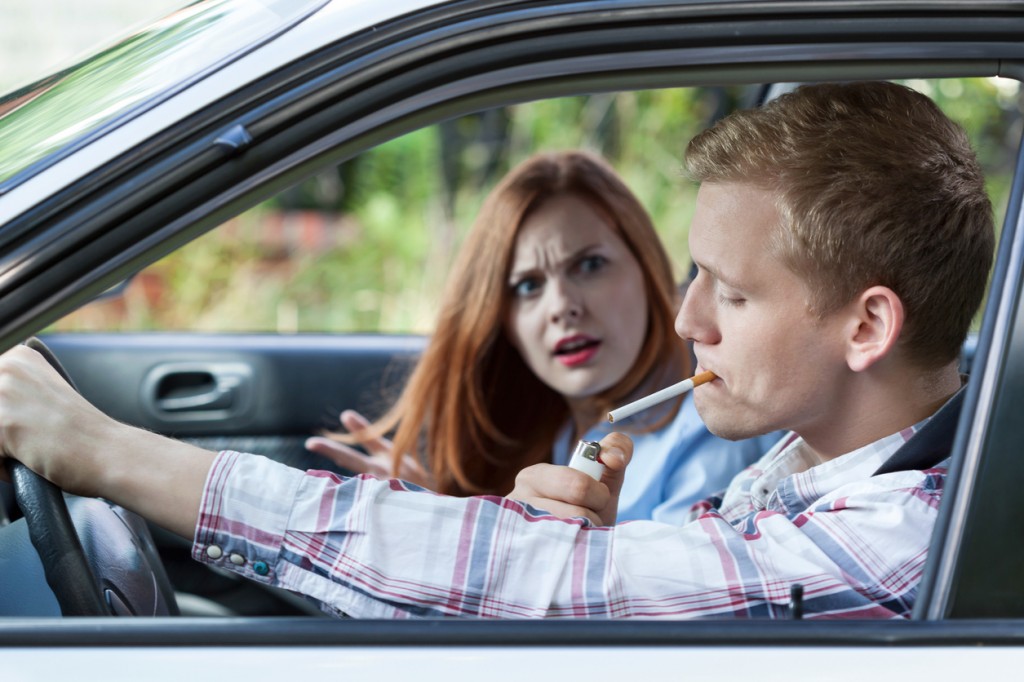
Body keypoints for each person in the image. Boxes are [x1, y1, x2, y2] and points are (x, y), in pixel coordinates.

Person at [0, 80, 994, 619]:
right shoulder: (801, 479)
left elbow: (525, 583)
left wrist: (107, 453)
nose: (688, 322)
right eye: (694, 276)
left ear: (865, 327)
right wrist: (601, 543)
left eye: (730, 293)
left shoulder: (888, 541)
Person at [304, 150, 775, 523]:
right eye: (528, 286)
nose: (562, 306)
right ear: (501, 319)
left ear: (648, 270)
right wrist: (444, 513)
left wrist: (505, 542)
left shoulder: (714, 422)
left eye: (589, 265)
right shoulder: (555, 424)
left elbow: (676, 620)